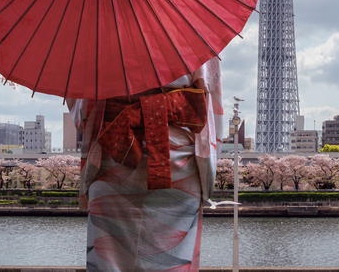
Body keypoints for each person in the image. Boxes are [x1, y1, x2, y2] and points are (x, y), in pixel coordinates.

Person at [68, 57, 223, 272]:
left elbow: (82, 112)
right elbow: (210, 102)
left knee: (109, 258)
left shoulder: (93, 39)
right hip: (179, 163)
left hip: (115, 155)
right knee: (173, 262)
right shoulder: (195, 34)